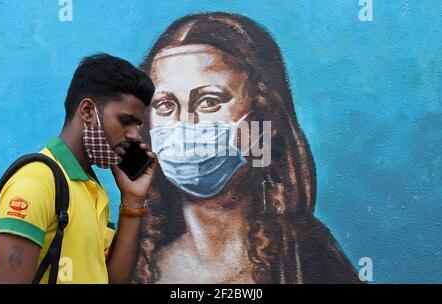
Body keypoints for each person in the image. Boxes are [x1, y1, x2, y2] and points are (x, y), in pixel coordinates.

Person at [132, 12, 360, 284]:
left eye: (208, 102)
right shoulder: (133, 266)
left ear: (266, 119)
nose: (184, 124)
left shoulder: (309, 259)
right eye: (165, 106)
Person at [0, 53, 158, 284]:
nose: (134, 134)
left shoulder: (91, 189)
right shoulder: (36, 182)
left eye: (136, 124)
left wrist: (132, 200)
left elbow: (109, 280)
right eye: (124, 120)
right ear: (88, 112)